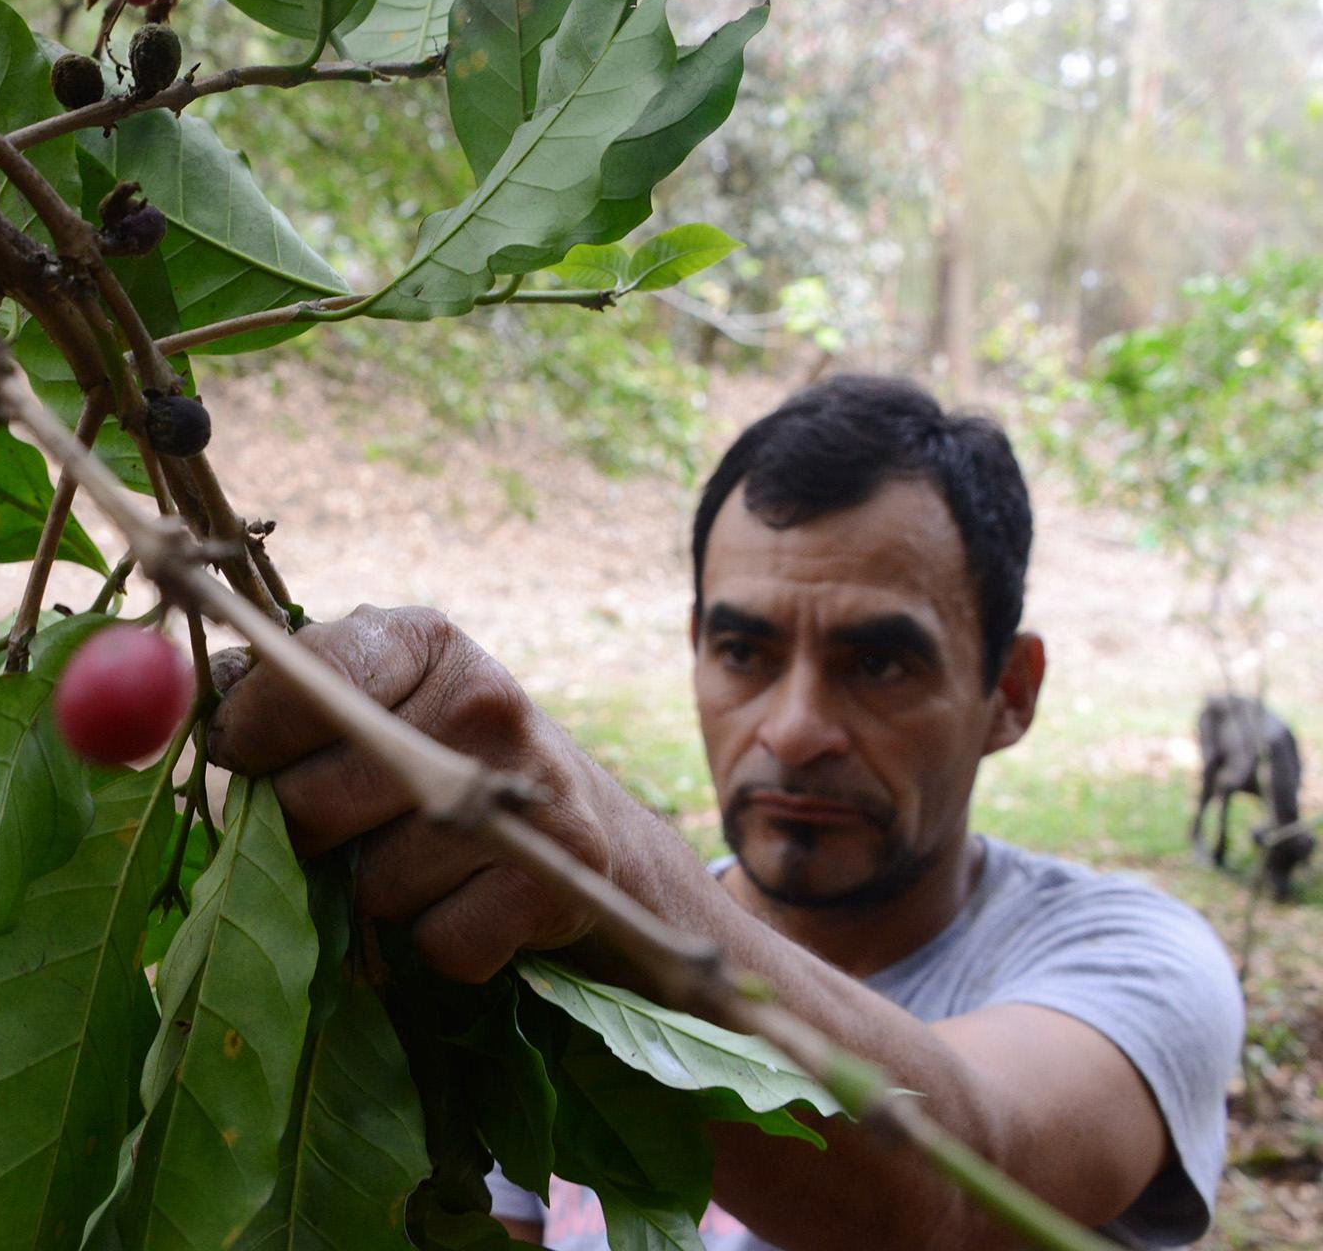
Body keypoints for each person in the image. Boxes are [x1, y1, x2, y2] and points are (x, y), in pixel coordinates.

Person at [211, 376, 1244, 1251]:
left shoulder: (1138, 962)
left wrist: (603, 871)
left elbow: (958, 1182)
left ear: (1009, 692)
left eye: (877, 663)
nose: (792, 730)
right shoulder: (547, 958)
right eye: (743, 653)